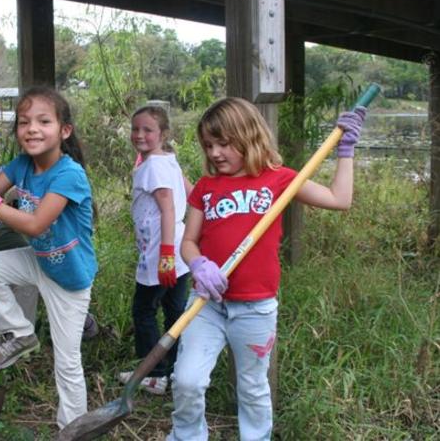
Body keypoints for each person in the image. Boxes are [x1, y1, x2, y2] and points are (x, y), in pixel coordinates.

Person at [168, 97, 366, 440]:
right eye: (209, 145)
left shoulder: (279, 180)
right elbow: (189, 242)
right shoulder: (205, 187)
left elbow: (339, 199)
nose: (215, 153)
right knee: (187, 380)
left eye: (224, 143)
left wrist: (345, 150)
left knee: (253, 386)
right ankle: (186, 436)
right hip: (206, 304)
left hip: (255, 308)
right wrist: (198, 263)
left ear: (249, 136)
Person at [0, 86, 97, 428]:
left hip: (70, 278)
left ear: (64, 131)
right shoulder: (21, 165)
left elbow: (34, 224)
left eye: (43, 121)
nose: (32, 128)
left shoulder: (69, 174)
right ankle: (19, 332)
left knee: (66, 361)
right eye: (23, 122)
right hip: (42, 260)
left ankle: (72, 428)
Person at [118, 105, 192, 395]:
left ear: (163, 133)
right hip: (178, 249)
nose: (139, 135)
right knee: (175, 311)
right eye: (136, 129)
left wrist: (165, 257)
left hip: (161, 253)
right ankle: (176, 369)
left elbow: (168, 208)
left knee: (144, 311)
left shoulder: (154, 166)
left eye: (148, 130)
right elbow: (191, 192)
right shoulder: (168, 159)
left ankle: (154, 374)